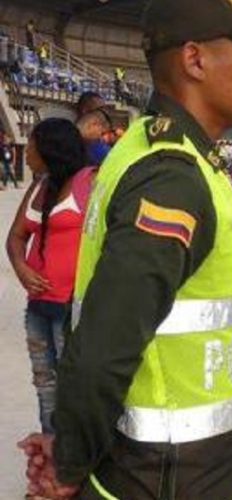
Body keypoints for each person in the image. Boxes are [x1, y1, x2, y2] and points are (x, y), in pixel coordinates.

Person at [17, 1, 232, 498]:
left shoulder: (146, 146)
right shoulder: (173, 179)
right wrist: (68, 464)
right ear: (195, 60)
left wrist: (69, 443)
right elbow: (103, 349)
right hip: (173, 478)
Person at [6, 119, 94, 434]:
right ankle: (52, 459)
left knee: (73, 389)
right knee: (45, 386)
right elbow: (15, 237)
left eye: (31, 144)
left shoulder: (88, 182)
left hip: (72, 308)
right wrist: (21, 268)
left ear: (49, 149)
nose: (25, 150)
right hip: (39, 307)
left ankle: (75, 464)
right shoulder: (38, 185)